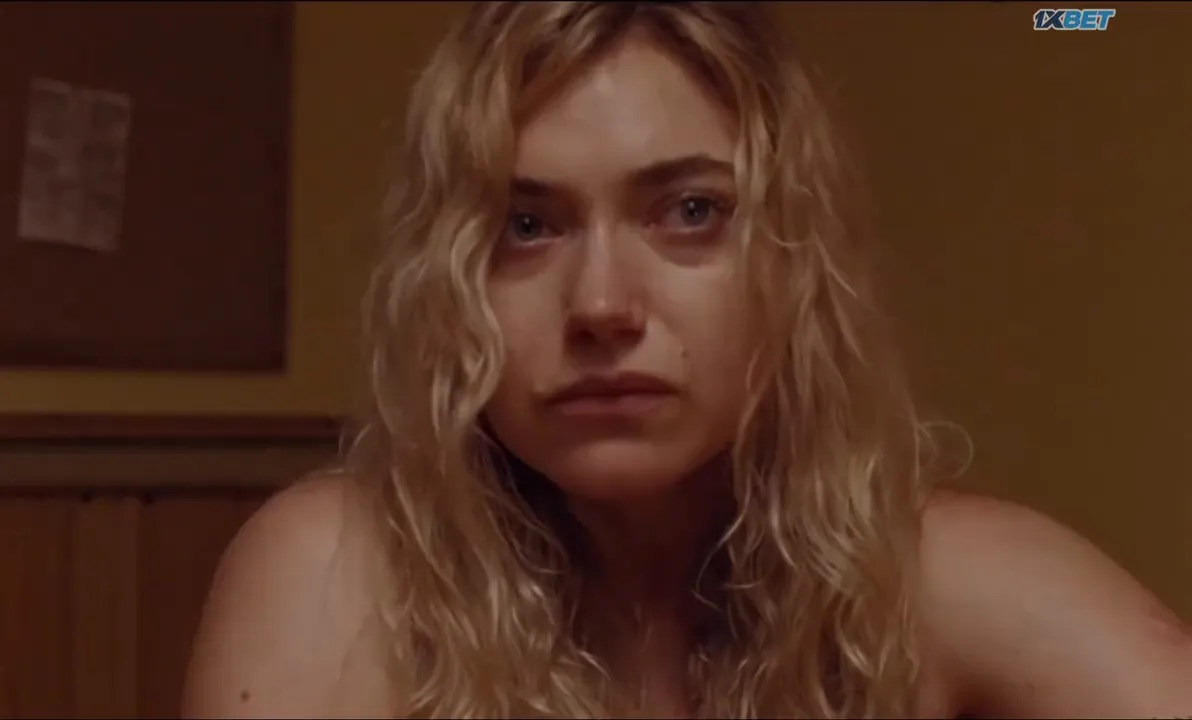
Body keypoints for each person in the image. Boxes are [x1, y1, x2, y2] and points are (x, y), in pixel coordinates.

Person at [180, 3, 1192, 717]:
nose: (602, 306)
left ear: (792, 262)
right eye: (527, 226)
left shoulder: (927, 578)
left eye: (690, 212)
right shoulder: (340, 575)